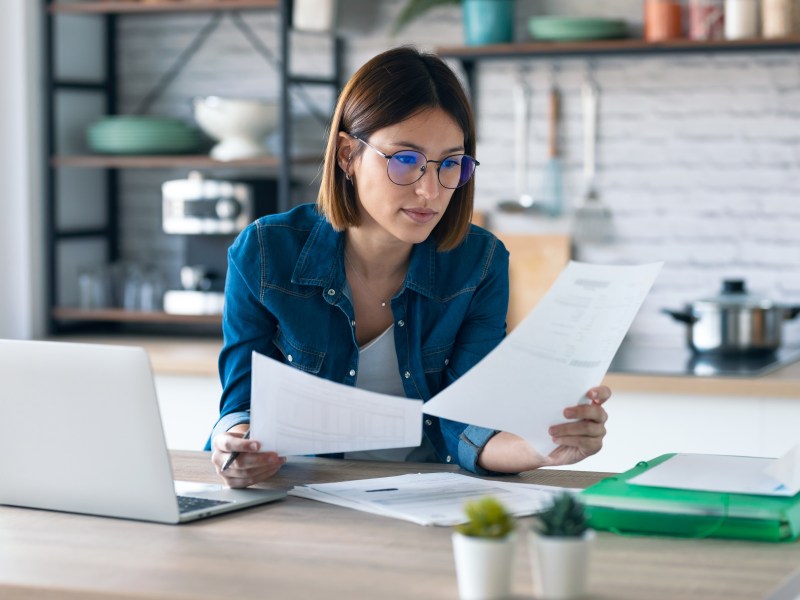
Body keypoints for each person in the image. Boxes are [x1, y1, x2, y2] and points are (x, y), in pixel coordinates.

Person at [208, 46, 610, 488]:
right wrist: (238, 447)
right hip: (303, 494)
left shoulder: (480, 263)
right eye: (405, 160)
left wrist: (542, 446)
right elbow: (241, 407)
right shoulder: (266, 252)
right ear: (347, 155)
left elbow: (468, 426)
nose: (430, 191)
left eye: (451, 165)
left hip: (426, 495)